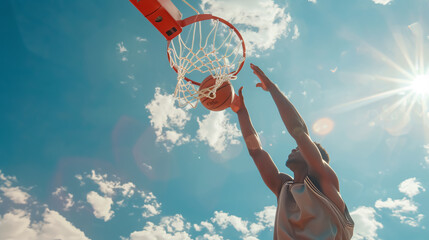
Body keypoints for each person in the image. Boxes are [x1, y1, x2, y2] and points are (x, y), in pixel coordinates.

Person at [230, 64, 354, 240]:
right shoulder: (284, 188)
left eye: (300, 148)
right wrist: (241, 112)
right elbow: (256, 152)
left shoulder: (324, 181)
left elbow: (299, 132)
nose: (295, 148)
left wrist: (272, 88)